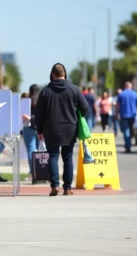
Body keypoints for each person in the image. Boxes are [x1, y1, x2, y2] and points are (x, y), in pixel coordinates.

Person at [35, 63, 88, 196]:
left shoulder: (46, 91)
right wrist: (77, 117)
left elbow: (39, 113)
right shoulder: (74, 89)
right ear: (64, 74)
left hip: (51, 128)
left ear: (53, 74)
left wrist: (39, 129)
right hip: (70, 128)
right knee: (68, 157)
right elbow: (85, 107)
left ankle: (55, 185)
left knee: (53, 156)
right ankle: (68, 187)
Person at [22, 84, 40, 181]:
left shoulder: (26, 101)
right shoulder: (41, 101)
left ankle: (32, 171)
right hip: (38, 127)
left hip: (28, 127)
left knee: (31, 150)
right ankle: (38, 171)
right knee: (37, 150)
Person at [116, 82, 137, 153]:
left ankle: (128, 145)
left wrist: (116, 113)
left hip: (123, 115)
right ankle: (128, 144)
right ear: (131, 86)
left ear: (125, 86)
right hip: (133, 115)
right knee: (130, 130)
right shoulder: (135, 94)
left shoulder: (121, 94)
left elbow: (118, 105)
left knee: (126, 131)